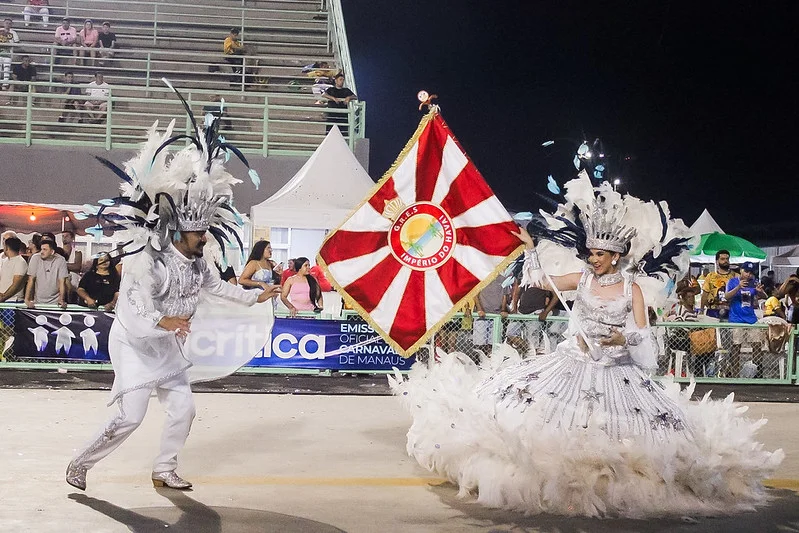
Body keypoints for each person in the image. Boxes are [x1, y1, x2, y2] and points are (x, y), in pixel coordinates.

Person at [390, 179, 782, 517]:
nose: (592, 259)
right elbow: (544, 280)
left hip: (617, 373)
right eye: (590, 253)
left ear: (616, 256)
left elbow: (645, 340)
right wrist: (529, 247)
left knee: (622, 444)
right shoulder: (580, 279)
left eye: (599, 254)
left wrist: (621, 339)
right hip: (571, 366)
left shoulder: (632, 290)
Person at [65, 88, 280, 492]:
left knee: (184, 407)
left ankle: (165, 468)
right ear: (181, 230)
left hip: (166, 345)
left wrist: (255, 296)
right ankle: (81, 462)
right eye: (199, 231)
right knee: (132, 414)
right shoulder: (150, 258)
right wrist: (162, 319)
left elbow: (220, 288)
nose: (205, 236)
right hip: (133, 341)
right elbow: (132, 303)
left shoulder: (200, 261)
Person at [724, 261, 767, 377]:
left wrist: (760, 292)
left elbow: (765, 297)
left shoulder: (754, 283)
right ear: (741, 270)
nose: (748, 275)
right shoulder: (732, 281)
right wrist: (738, 287)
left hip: (751, 318)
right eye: (746, 271)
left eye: (751, 273)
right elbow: (726, 296)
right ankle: (735, 374)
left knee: (757, 344)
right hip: (736, 319)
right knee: (736, 346)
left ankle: (757, 371)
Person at [25, 239, 68, 308]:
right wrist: (27, 300)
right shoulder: (35, 258)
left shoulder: (61, 260)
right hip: (37, 302)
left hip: (55, 303)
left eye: (45, 249)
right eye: (41, 249)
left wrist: (61, 299)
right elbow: (31, 280)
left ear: (52, 252)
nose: (41, 252)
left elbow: (62, 282)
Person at [700, 249, 737, 318]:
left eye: (727, 259)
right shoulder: (710, 276)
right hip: (713, 310)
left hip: (731, 310)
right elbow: (705, 293)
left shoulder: (735, 276)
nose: (725, 261)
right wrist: (701, 309)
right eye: (722, 259)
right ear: (717, 262)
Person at [0, 237, 27, 303]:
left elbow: (16, 285)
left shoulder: (20, 262)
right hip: (3, 301)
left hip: (13, 300)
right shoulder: (5, 261)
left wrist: (3, 298)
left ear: (6, 248)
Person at [1, 18, 20, 90]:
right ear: (3, 23)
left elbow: (17, 42)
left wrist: (9, 43)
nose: (8, 25)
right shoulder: (0, 31)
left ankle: (5, 84)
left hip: (8, 53)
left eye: (9, 23)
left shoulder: (13, 33)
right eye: (6, 23)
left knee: (6, 68)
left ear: (11, 24)